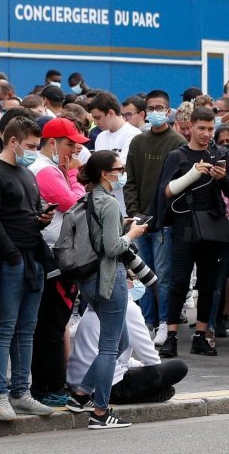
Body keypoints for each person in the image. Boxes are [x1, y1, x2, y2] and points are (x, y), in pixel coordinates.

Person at [0, 116, 55, 420]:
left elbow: (27, 212)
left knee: (26, 330)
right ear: (13, 141)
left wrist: (41, 219)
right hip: (9, 261)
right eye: (32, 145)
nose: (35, 151)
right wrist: (13, 256)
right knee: (5, 327)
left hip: (30, 257)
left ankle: (21, 391)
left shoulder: (25, 173)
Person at [65, 151, 147, 430]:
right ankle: (100, 412)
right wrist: (132, 234)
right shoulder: (109, 203)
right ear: (104, 173)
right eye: (118, 169)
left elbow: (98, 238)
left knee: (121, 342)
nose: (122, 173)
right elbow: (113, 248)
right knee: (110, 347)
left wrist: (121, 229)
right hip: (109, 279)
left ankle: (79, 396)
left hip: (87, 281)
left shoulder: (87, 199)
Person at [157, 106, 229, 357]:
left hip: (212, 226)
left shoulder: (221, 154)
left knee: (208, 284)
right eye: (202, 128)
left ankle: (201, 335)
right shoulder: (178, 156)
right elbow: (165, 192)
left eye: (211, 128)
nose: (207, 133)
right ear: (190, 127)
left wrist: (223, 178)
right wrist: (191, 174)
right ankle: (171, 336)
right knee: (178, 282)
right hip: (184, 226)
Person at [28, 117, 88, 406]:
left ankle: (48, 384)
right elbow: (76, 205)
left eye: (77, 146)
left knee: (51, 324)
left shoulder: (51, 168)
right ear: (52, 142)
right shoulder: (46, 171)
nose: (74, 152)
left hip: (55, 253)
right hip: (53, 255)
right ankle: (48, 386)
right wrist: (74, 176)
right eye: (70, 145)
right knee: (51, 325)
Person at [68, 277, 188, 406]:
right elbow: (151, 360)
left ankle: (145, 392)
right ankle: (145, 393)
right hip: (111, 387)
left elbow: (109, 352)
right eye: (133, 279)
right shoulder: (128, 308)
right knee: (179, 367)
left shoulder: (94, 304)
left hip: (78, 383)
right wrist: (157, 378)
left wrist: (136, 364)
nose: (137, 283)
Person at [124, 90, 185, 340]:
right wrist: (135, 212)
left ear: (168, 111)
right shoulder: (138, 141)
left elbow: (178, 186)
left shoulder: (178, 142)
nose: (155, 113)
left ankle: (163, 322)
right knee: (141, 274)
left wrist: (160, 216)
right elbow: (130, 180)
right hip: (140, 221)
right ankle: (147, 322)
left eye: (160, 108)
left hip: (165, 222)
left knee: (163, 275)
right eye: (150, 108)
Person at [90, 92, 140, 215]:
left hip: (126, 206)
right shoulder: (100, 137)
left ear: (111, 112)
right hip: (104, 206)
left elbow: (120, 170)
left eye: (98, 117)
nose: (95, 123)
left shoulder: (133, 134)